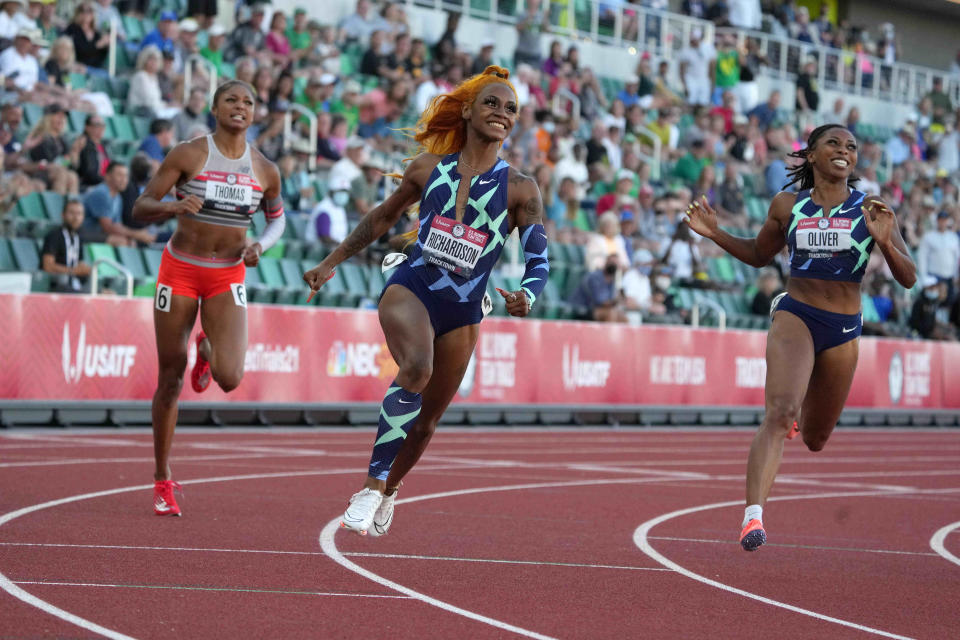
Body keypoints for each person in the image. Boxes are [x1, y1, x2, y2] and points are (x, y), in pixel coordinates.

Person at [303, 66, 548, 536]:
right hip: (412, 283)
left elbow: (539, 259)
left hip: (465, 308)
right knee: (416, 368)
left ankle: (390, 490)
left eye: (510, 108)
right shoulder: (426, 169)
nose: (501, 113)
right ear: (469, 110)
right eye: (492, 103)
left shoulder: (520, 188)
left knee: (427, 424)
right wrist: (331, 261)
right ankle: (370, 486)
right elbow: (379, 220)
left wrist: (528, 295)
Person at [685, 124, 916, 552]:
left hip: (844, 328)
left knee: (815, 438)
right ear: (811, 155)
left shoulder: (873, 210)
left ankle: (799, 410)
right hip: (797, 313)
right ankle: (752, 516)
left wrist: (885, 243)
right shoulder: (787, 204)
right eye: (833, 143)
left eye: (851, 146)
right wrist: (715, 233)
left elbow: (909, 278)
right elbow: (758, 255)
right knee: (779, 412)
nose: (844, 150)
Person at [132, 80, 286, 517]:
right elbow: (140, 206)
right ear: (215, 108)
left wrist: (261, 247)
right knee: (169, 378)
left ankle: (208, 350)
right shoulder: (189, 153)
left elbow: (278, 222)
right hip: (179, 269)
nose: (241, 107)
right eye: (232, 100)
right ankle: (162, 479)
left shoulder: (265, 169)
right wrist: (171, 208)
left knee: (231, 376)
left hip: (227, 275)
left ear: (255, 113)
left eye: (249, 102)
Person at [41, 198, 92, 293]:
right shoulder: (54, 236)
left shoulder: (78, 238)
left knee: (105, 292)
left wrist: (88, 270)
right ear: (63, 215)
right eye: (72, 213)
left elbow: (79, 263)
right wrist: (73, 271)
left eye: (79, 214)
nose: (76, 217)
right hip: (56, 286)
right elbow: (47, 266)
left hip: (74, 285)